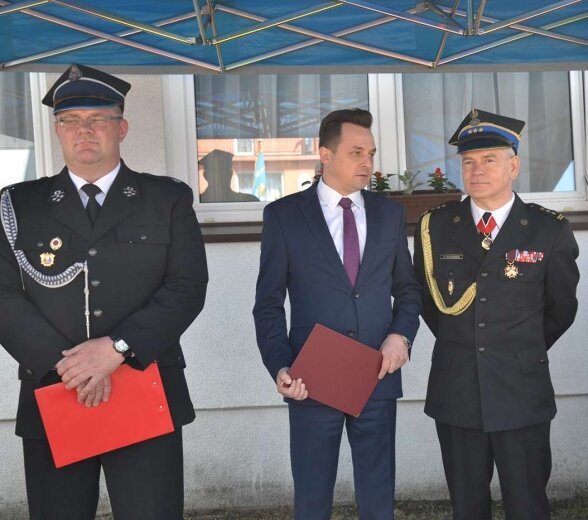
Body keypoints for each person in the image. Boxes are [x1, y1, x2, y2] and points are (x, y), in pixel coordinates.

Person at [0, 63, 208, 520]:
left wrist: (115, 349)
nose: (84, 130)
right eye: (71, 120)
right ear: (57, 130)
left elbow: (187, 287)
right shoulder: (19, 205)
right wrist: (72, 367)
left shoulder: (166, 199)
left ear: (122, 128)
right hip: (55, 389)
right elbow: (4, 297)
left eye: (98, 118)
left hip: (143, 385)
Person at [253, 108, 421, 520]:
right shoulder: (284, 216)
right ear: (325, 154)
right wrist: (281, 366)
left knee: (378, 500)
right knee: (312, 500)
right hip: (312, 379)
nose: (367, 162)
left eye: (371, 153)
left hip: (376, 374)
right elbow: (268, 304)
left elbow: (408, 289)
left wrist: (401, 336)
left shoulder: (389, 214)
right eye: (356, 152)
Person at [413, 108, 579, 520]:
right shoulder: (436, 227)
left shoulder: (547, 229)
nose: (477, 170)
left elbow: (561, 308)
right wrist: (467, 343)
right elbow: (429, 303)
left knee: (527, 505)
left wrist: (518, 349)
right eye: (468, 161)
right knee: (467, 507)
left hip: (521, 389)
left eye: (489, 160)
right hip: (457, 389)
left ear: (513, 167)